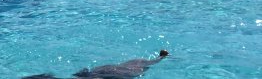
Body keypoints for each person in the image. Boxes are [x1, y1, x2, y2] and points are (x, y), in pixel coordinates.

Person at [23, 50, 169, 79]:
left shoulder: (135, 68)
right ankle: (161, 57)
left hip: (101, 72)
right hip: (103, 72)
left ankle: (161, 57)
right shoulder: (135, 69)